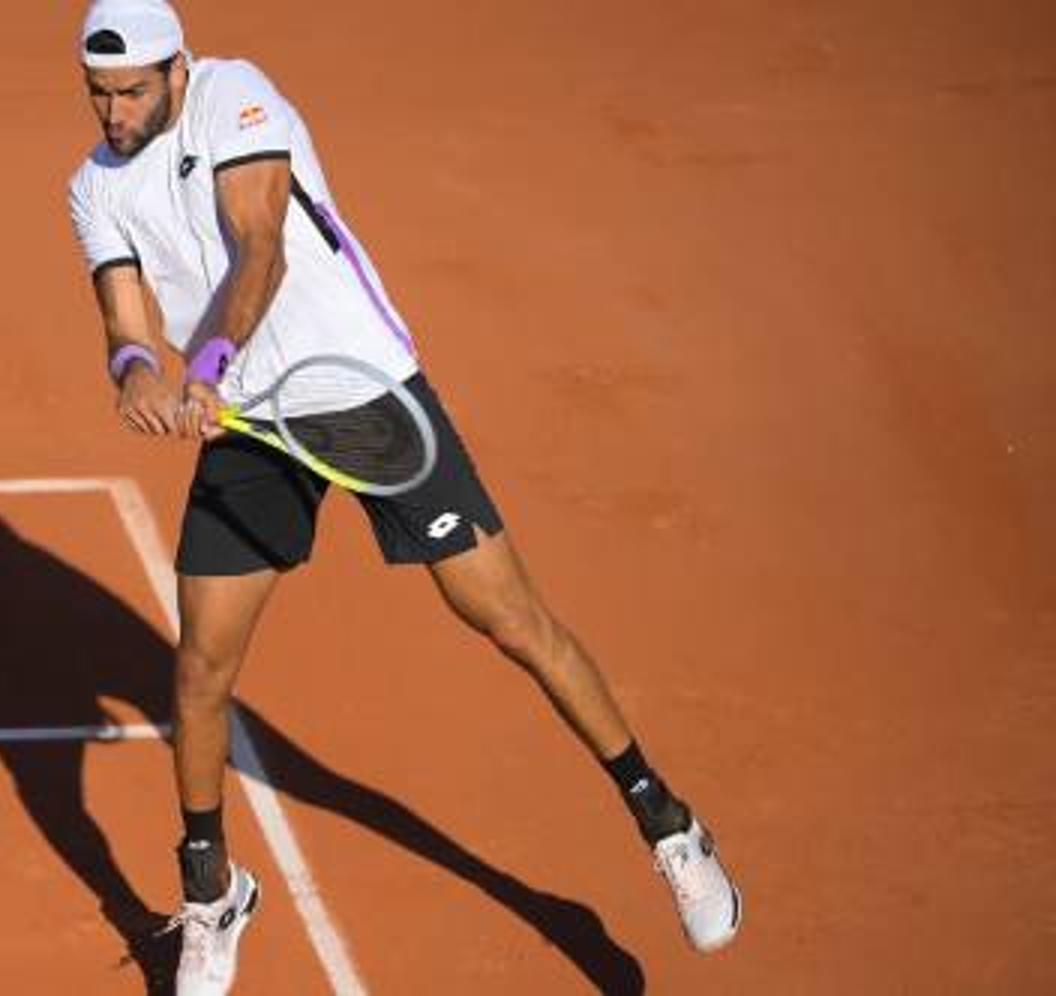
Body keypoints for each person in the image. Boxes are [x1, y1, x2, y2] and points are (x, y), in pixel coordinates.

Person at [64, 1, 741, 991]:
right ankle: (213, 890)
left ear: (178, 69)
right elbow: (124, 316)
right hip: (256, 430)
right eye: (98, 92)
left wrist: (203, 361)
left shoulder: (235, 98)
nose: (114, 111)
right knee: (202, 666)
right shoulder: (92, 186)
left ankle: (667, 823)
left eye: (131, 90)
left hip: (361, 397)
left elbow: (261, 245)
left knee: (511, 622)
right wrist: (132, 371)